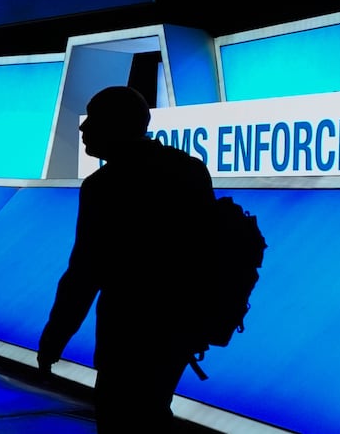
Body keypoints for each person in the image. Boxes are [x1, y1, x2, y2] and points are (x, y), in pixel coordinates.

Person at [38, 86, 214, 431]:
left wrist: (54, 337)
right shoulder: (190, 170)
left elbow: (85, 273)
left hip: (127, 333)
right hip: (180, 328)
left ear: (114, 125)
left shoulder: (104, 186)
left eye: (92, 120)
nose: (82, 129)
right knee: (152, 410)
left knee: (120, 415)